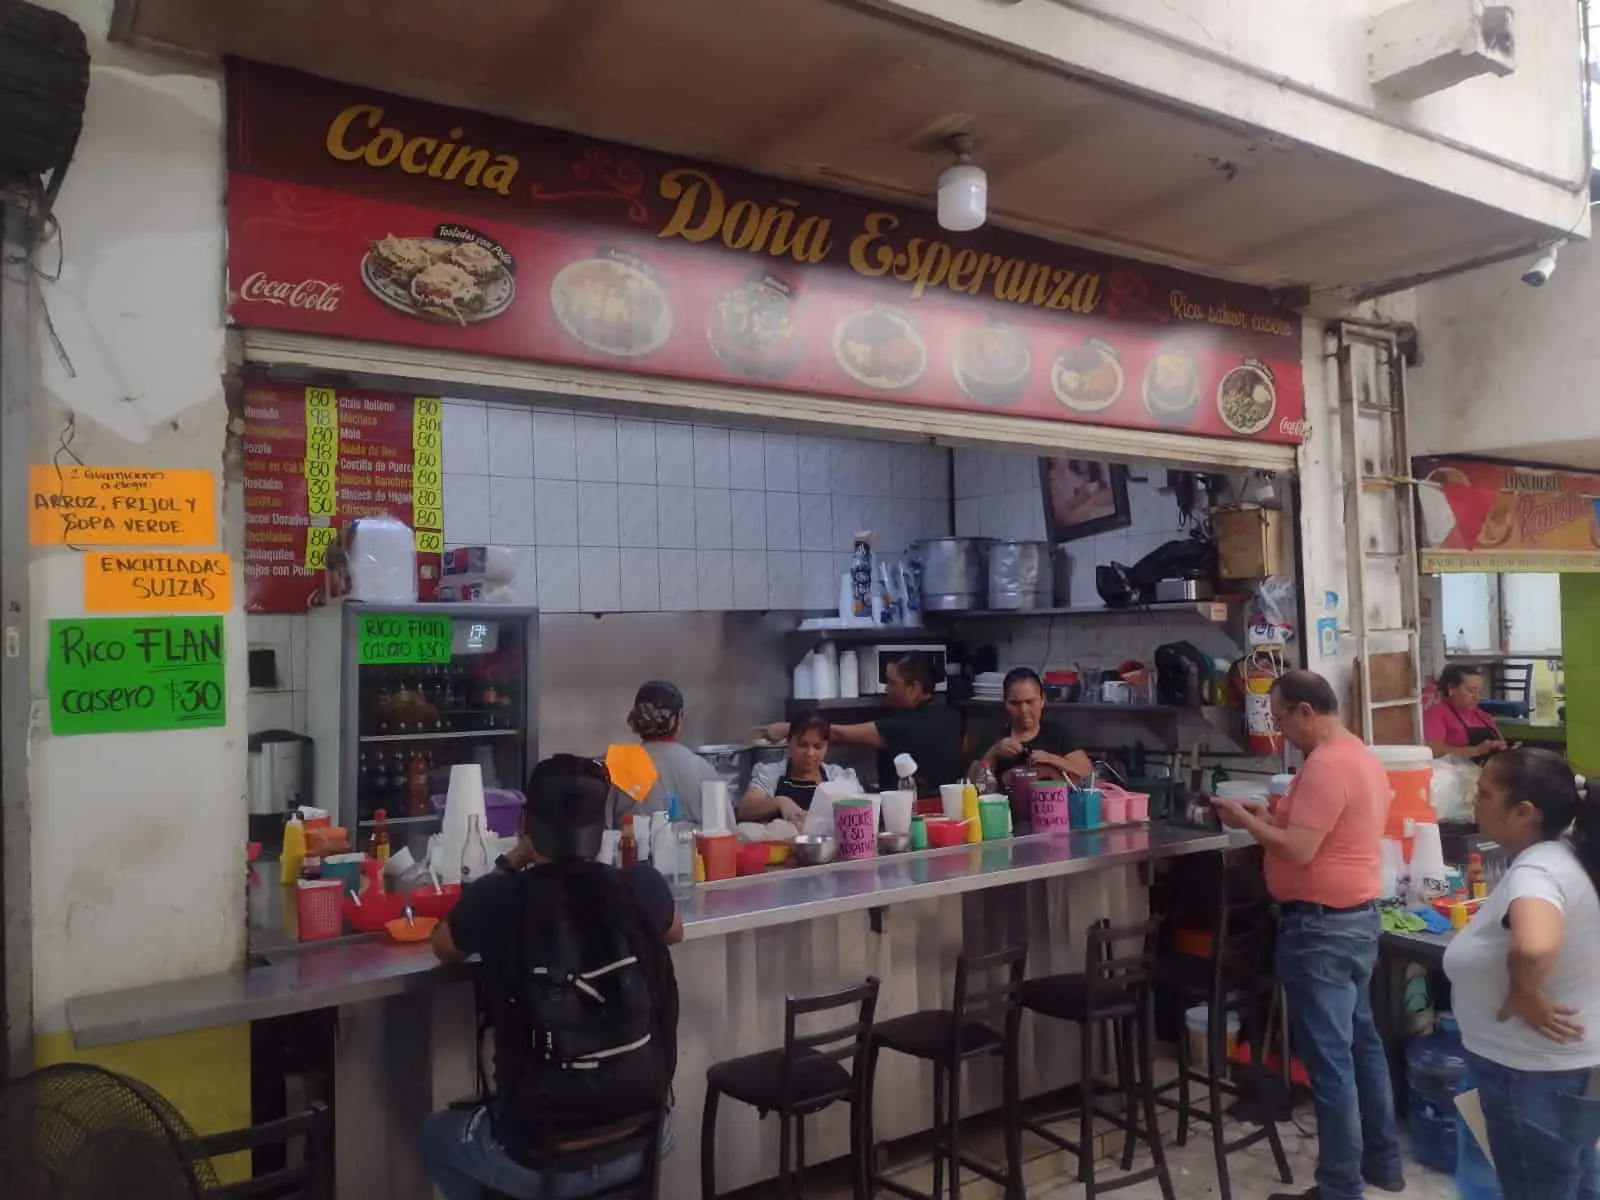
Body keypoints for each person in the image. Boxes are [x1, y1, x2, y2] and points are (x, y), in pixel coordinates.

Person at [421, 754, 682, 1200]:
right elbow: (673, 930)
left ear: (526, 823)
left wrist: (511, 861)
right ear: (602, 828)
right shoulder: (641, 886)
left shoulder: (502, 897)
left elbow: (443, 946)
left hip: (540, 1152)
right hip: (647, 1134)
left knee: (438, 1138)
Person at [1211, 670, 1403, 1200]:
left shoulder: (1325, 765)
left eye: (1280, 718)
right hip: (1355, 921)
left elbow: (1297, 850)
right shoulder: (1358, 754)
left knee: (1331, 1063)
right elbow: (1314, 828)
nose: (1278, 729)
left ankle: (1340, 1187)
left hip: (1321, 929)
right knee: (1362, 1045)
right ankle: (1383, 1163)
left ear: (1305, 711)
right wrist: (1267, 812)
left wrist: (1246, 824)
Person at [1442, 748, 1600, 1200]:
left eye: (1485, 792)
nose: (1475, 799)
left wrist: (1525, 991)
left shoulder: (1539, 869)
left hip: (1533, 1077)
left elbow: (1534, 946)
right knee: (1575, 1184)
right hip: (1570, 1068)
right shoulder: (1571, 853)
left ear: (1524, 812)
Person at [759, 653, 962, 798]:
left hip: (909, 812)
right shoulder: (952, 716)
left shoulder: (906, 725)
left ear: (914, 688)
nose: (885, 688)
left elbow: (838, 735)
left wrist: (786, 729)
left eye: (892, 683)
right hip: (947, 808)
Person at [607, 680, 725, 829]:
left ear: (637, 719)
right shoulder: (702, 769)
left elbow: (603, 834)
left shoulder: (618, 767)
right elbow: (726, 833)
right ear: (678, 718)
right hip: (692, 852)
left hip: (632, 852)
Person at [968, 667, 1093, 786]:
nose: (1023, 710)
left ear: (1042, 700)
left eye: (1030, 702)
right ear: (1005, 703)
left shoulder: (1056, 733)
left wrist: (1051, 759)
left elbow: (1088, 774)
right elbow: (970, 784)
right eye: (1015, 703)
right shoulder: (993, 735)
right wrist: (993, 754)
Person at [737, 708, 855, 824]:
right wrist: (780, 802)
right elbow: (744, 810)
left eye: (818, 747)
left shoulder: (837, 776)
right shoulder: (771, 773)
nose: (810, 753)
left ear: (827, 746)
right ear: (789, 741)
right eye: (802, 745)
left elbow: (860, 809)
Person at [1424, 663, 1508, 760]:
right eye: (1471, 691)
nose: (1477, 697)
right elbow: (1433, 750)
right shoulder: (1437, 711)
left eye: (1480, 692)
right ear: (1451, 688)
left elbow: (1502, 743)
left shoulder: (1482, 716)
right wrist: (1476, 750)